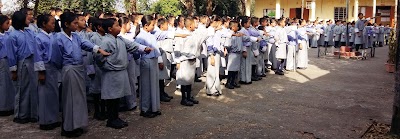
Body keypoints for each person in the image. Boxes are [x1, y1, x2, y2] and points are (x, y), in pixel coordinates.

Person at [51, 12, 110, 137]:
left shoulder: (76, 36)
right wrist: (64, 68)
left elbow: (85, 44)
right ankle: (68, 127)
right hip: (69, 69)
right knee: (70, 99)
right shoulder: (58, 38)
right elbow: (55, 58)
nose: (77, 25)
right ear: (66, 24)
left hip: (78, 69)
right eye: (75, 23)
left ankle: (76, 124)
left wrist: (98, 49)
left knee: (78, 99)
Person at [98, 18, 151, 129]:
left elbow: (133, 45)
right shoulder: (105, 41)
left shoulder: (120, 39)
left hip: (120, 72)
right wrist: (106, 66)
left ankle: (115, 117)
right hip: (111, 73)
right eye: (117, 26)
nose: (119, 27)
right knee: (111, 98)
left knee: (117, 97)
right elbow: (99, 57)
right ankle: (111, 119)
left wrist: (144, 48)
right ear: (110, 29)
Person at [7, 10, 45, 124]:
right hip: (22, 63)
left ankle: (33, 114)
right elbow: (11, 54)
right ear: (20, 20)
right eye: (26, 18)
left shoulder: (30, 32)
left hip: (32, 62)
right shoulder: (13, 36)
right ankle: (21, 115)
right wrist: (13, 70)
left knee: (33, 88)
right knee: (22, 88)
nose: (29, 19)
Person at [35, 14, 61, 130]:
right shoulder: (39, 37)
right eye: (51, 23)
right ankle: (45, 121)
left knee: (53, 93)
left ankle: (54, 118)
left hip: (53, 67)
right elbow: (38, 55)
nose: (53, 25)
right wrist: (41, 72)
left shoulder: (52, 36)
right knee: (45, 94)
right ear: (44, 24)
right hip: (45, 67)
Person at [175, 16, 207, 106]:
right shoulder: (182, 35)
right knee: (184, 81)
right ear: (190, 26)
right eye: (194, 24)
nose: (196, 25)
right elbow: (177, 48)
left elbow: (202, 38)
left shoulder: (193, 34)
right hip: (184, 61)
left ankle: (189, 97)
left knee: (190, 80)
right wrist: (177, 61)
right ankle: (184, 98)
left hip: (192, 60)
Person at [135, 15, 162, 118]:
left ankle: (154, 107)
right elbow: (136, 50)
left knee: (153, 85)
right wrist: (140, 62)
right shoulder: (140, 37)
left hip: (153, 61)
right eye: (152, 25)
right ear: (146, 25)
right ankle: (145, 109)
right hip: (146, 62)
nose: (154, 27)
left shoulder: (150, 35)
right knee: (146, 86)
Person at [89, 18, 107, 120]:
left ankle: (104, 110)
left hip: (105, 67)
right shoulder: (93, 37)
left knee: (104, 89)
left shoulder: (106, 37)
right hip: (96, 66)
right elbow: (90, 55)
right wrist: (90, 69)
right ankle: (97, 111)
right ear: (98, 27)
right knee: (96, 90)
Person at [0, 15, 14, 117]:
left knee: (9, 84)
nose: (9, 25)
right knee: (3, 84)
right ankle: (3, 107)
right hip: (2, 60)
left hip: (9, 60)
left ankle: (10, 105)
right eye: (7, 23)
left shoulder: (8, 34)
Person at [224, 21, 243, 89]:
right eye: (237, 26)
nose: (238, 27)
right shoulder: (229, 34)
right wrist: (230, 49)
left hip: (238, 53)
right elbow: (227, 44)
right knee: (231, 69)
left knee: (236, 69)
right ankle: (229, 82)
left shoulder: (238, 34)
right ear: (232, 27)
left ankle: (234, 82)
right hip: (232, 53)